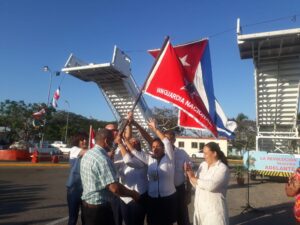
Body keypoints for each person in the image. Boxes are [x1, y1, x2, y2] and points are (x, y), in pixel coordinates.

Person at [80, 129, 140, 225]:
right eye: (112, 141)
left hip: (86, 206)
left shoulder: (88, 154)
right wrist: (133, 194)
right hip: (99, 210)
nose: (113, 144)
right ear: (106, 141)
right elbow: (114, 188)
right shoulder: (102, 159)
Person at [128, 118, 177, 225]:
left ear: (163, 148)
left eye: (158, 146)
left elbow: (167, 142)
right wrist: (124, 141)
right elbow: (134, 152)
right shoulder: (149, 158)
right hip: (152, 198)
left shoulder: (169, 157)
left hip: (168, 198)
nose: (155, 149)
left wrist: (155, 129)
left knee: (167, 222)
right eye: (153, 147)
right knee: (152, 222)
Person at [185, 142, 230, 225]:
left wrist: (194, 178)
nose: (203, 156)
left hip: (214, 212)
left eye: (206, 153)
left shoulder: (222, 168)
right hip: (200, 210)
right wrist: (189, 173)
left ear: (214, 153)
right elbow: (196, 185)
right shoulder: (203, 165)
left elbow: (211, 186)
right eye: (203, 153)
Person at [165, 130, 192, 225]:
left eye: (170, 139)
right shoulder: (160, 154)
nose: (168, 141)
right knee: (166, 218)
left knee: (183, 218)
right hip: (165, 192)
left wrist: (188, 191)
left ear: (174, 140)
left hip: (179, 190)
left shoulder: (182, 153)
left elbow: (189, 172)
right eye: (166, 139)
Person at [66, 132, 88, 225]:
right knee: (73, 217)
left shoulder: (88, 150)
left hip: (86, 188)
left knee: (86, 217)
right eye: (82, 139)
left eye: (86, 139)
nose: (85, 141)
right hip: (74, 188)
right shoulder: (74, 149)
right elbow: (87, 152)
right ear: (77, 141)